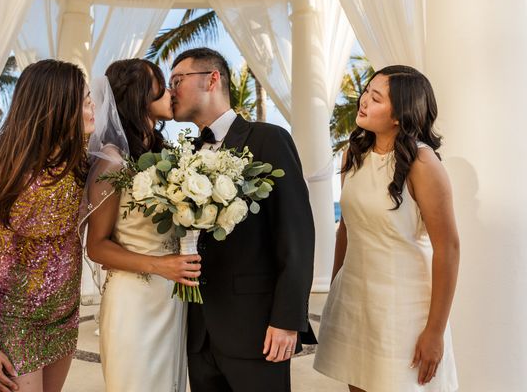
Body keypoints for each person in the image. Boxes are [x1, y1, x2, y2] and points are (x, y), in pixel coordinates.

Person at [169, 47, 316, 392]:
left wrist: (287, 320)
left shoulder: (269, 140)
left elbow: (296, 236)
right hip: (199, 333)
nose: (170, 90)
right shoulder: (184, 154)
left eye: (177, 80)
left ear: (212, 79)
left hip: (256, 328)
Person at [313, 65, 459, 392]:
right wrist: (336, 290)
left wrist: (434, 331)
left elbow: (448, 249)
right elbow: (346, 230)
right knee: (359, 385)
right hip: (356, 300)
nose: (363, 101)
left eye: (375, 98)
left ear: (399, 115)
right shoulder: (354, 154)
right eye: (366, 92)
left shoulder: (423, 164)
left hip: (403, 307)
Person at [0, 59, 95, 392]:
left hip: (63, 318)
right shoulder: (15, 175)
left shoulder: (80, 163)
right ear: (58, 106)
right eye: (86, 100)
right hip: (16, 322)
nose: (93, 107)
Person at [84, 58, 201, 392]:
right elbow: (97, 247)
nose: (171, 93)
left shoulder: (163, 154)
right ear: (138, 97)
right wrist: (162, 266)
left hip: (171, 299)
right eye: (161, 86)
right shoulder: (112, 160)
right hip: (134, 302)